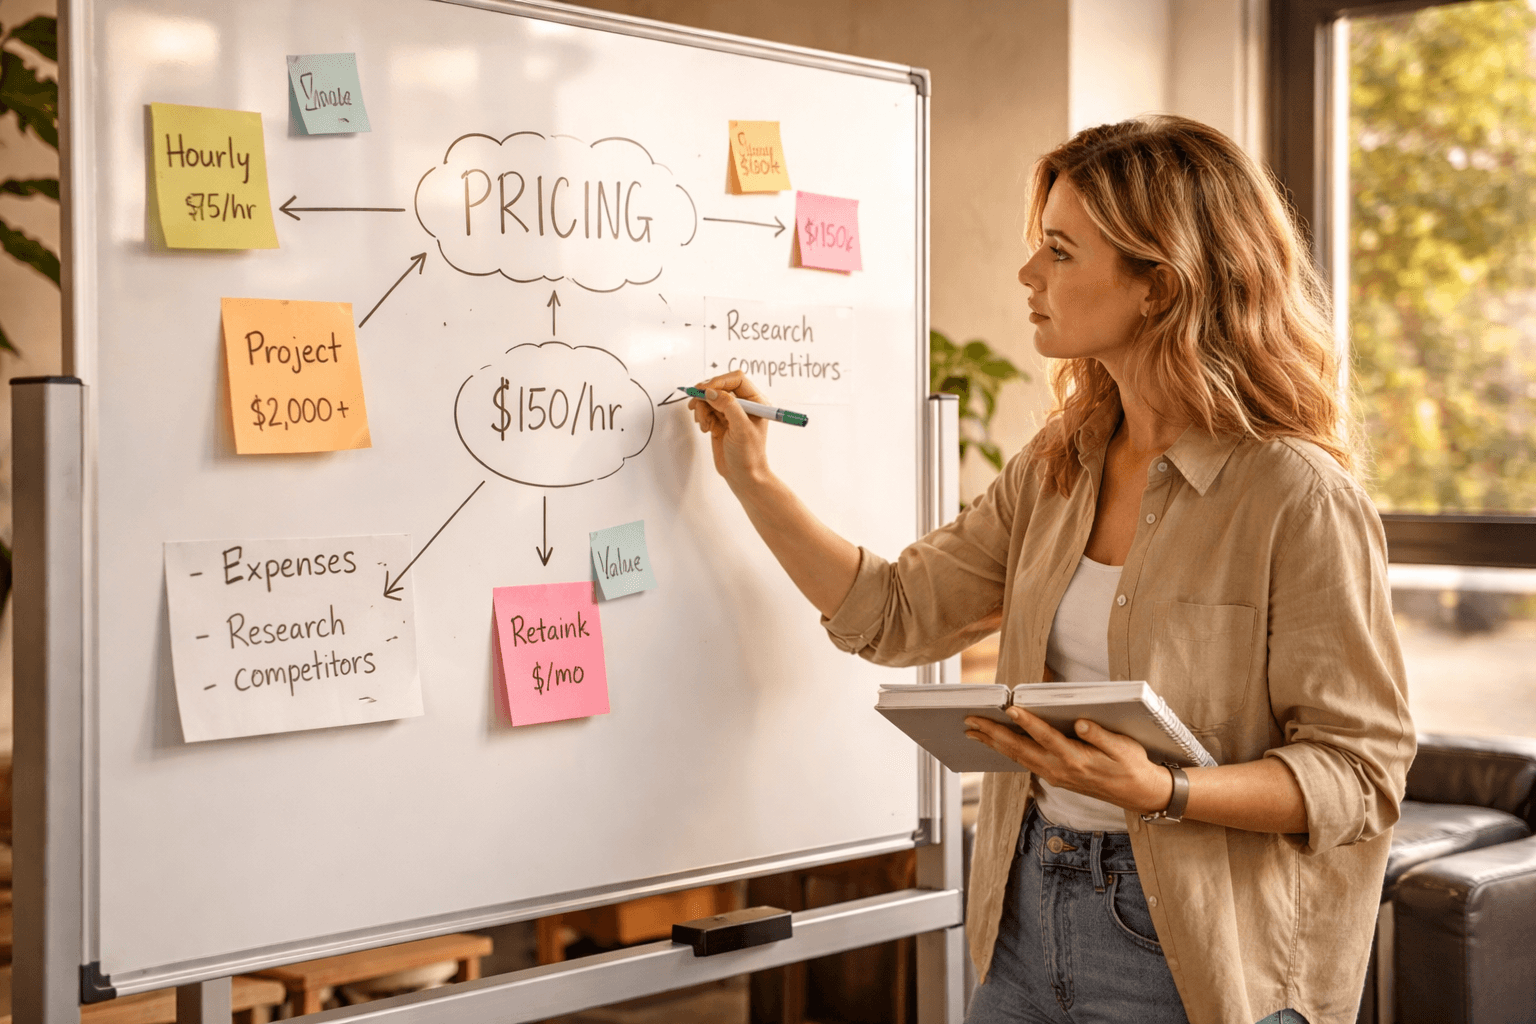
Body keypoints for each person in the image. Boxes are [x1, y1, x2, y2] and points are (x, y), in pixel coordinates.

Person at [689, 115, 1412, 1024]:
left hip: (1196, 952)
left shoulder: (1295, 496)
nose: (1028, 275)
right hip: (1027, 911)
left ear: (1160, 284)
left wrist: (1167, 790)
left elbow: (1361, 772)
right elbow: (898, 611)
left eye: (1061, 252)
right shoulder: (1058, 463)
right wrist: (752, 479)